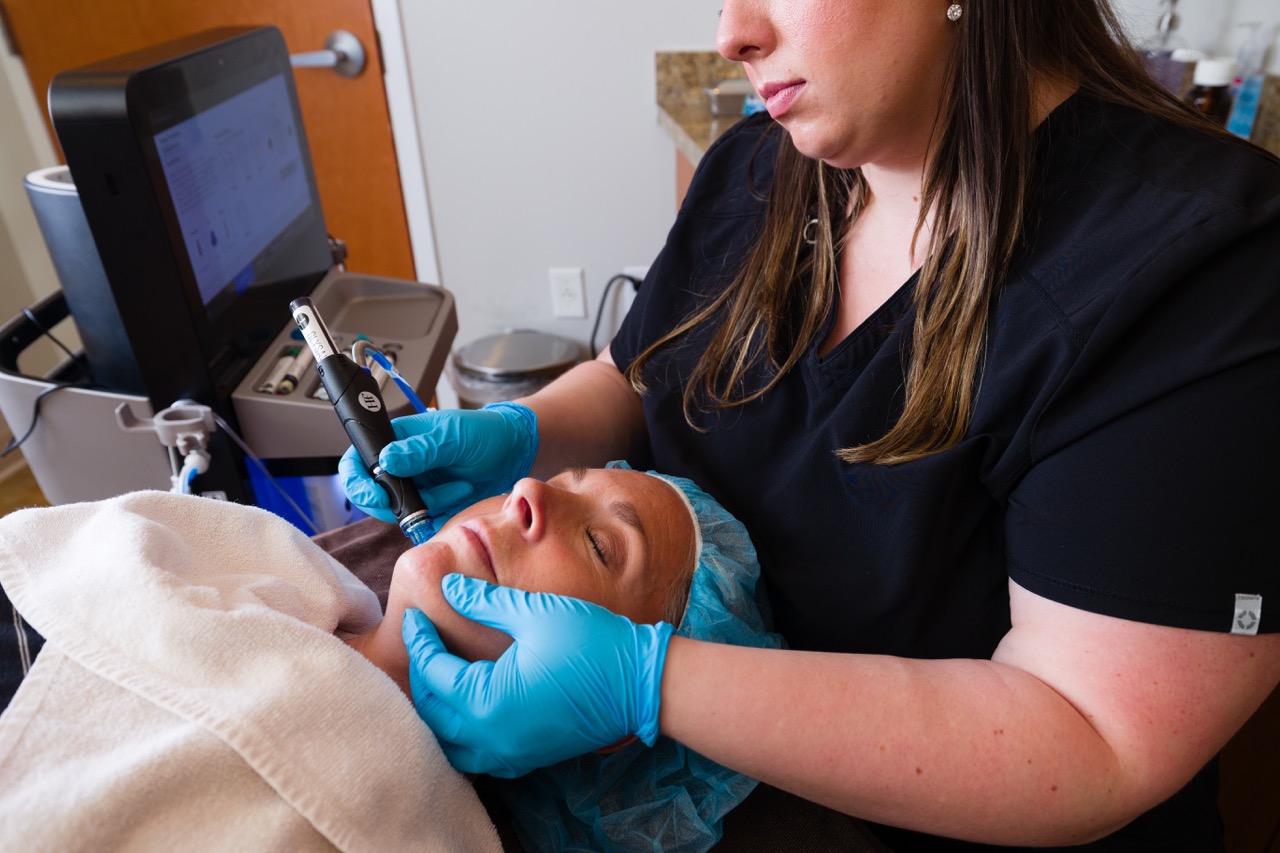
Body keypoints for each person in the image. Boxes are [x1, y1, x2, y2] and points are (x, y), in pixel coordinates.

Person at [340, 1, 1280, 849]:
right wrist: (524, 432)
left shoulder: (1205, 269)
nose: (731, 33)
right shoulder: (763, 165)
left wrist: (648, 681)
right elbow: (642, 372)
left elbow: (1092, 739)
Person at [0, 464, 782, 851]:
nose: (527, 491)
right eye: (564, 476)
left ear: (604, 713)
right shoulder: (269, 562)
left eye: (597, 542)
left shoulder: (419, 830)